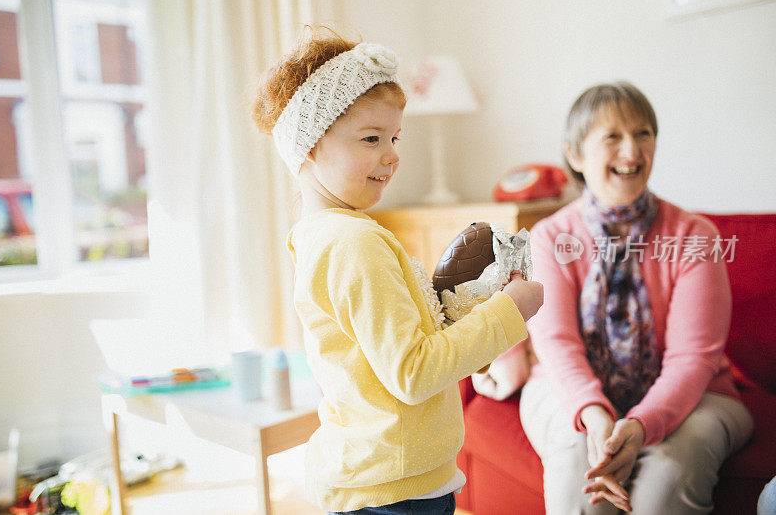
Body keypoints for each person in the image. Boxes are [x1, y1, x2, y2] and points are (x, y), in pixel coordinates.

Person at [251, 26, 544, 515]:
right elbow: (412, 373)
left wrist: (468, 317)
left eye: (394, 137)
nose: (392, 155)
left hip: (387, 478)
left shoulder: (323, 235)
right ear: (308, 148)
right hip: (392, 492)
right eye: (371, 138)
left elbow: (396, 357)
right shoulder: (354, 242)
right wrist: (509, 314)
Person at [519, 81, 754, 514]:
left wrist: (642, 425)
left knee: (669, 475)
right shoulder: (549, 237)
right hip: (566, 389)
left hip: (697, 396)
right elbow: (555, 343)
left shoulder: (694, 236)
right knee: (578, 464)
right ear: (574, 154)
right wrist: (594, 414)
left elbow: (694, 358)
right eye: (613, 136)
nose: (632, 151)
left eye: (643, 133)